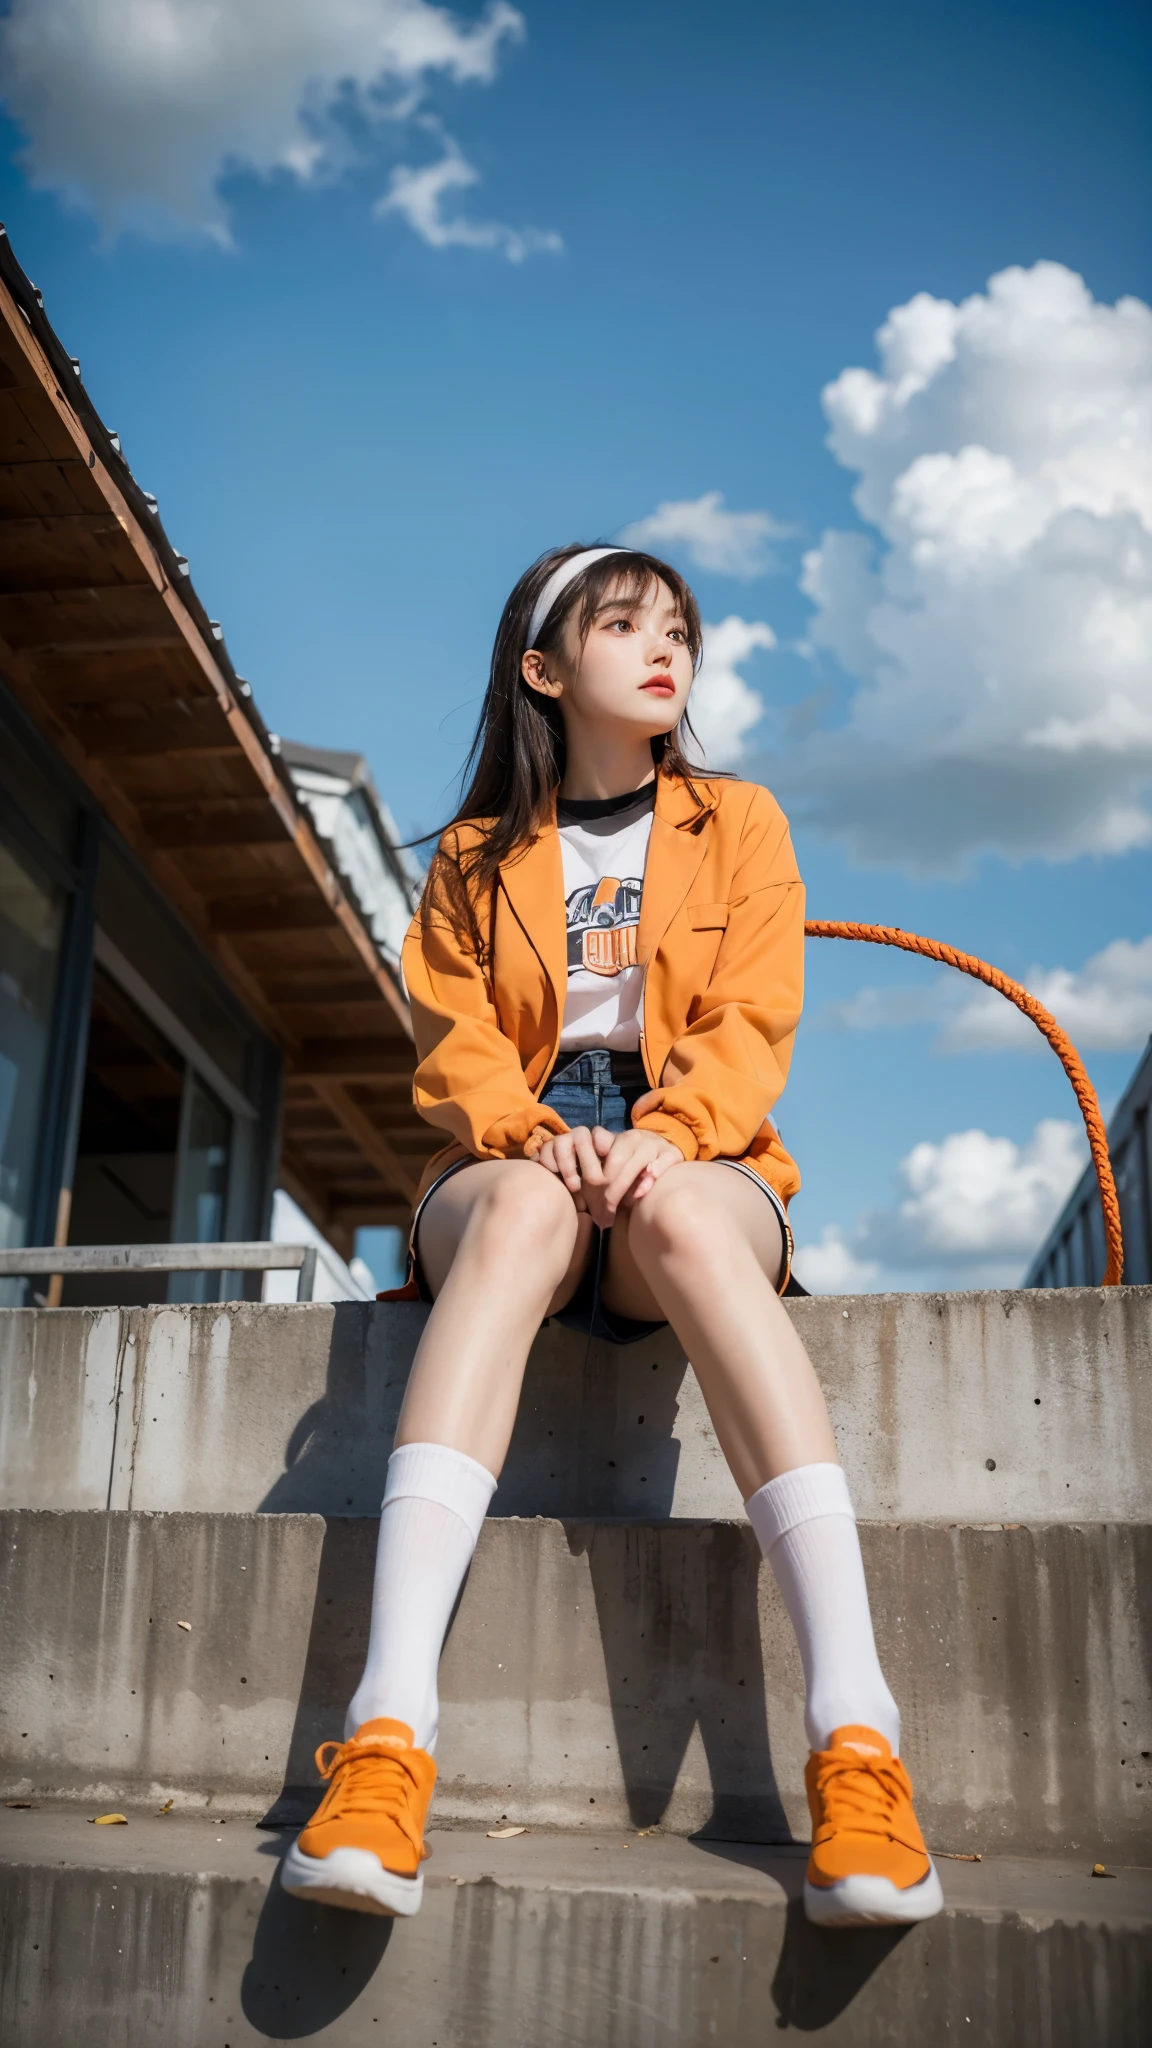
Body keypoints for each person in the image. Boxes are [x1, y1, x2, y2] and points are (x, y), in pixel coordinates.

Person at [281, 543, 942, 1929]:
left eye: (681, 629)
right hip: (517, 1149)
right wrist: (529, 1132)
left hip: (689, 1149)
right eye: (627, 623)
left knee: (695, 1227)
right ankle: (388, 1734)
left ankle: (859, 1743)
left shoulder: (740, 821)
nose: (668, 648)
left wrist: (669, 1134)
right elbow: (453, 1051)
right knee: (521, 1203)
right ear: (541, 666)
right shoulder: (472, 855)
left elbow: (754, 1023)